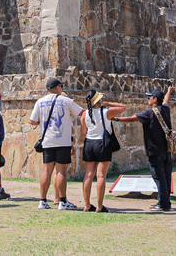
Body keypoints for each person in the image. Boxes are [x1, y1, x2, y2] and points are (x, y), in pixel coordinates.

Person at [115, 85, 176, 211]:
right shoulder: (165, 110)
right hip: (166, 150)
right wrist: (169, 91)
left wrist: (116, 118)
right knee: (166, 176)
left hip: (154, 150)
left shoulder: (150, 113)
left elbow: (132, 118)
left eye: (150, 97)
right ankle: (165, 202)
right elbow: (166, 101)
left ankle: (163, 204)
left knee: (159, 177)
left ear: (154, 100)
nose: (148, 99)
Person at [30, 78, 85, 210]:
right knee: (61, 171)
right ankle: (62, 201)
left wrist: (44, 123)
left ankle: (42, 201)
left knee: (47, 171)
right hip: (62, 140)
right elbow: (82, 113)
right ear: (58, 88)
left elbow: (33, 121)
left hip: (47, 141)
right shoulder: (66, 101)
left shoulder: (40, 102)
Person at [81, 90, 127, 213]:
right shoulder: (106, 111)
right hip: (102, 143)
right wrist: (108, 103)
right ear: (98, 100)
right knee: (101, 175)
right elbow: (123, 107)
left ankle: (86, 204)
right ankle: (99, 206)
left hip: (89, 143)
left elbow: (83, 132)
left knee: (88, 175)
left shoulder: (85, 114)